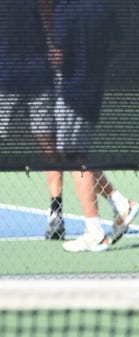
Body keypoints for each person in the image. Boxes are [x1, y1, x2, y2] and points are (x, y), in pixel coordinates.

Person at [51, 0, 139, 252]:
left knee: (74, 158)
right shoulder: (104, 6)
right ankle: (120, 203)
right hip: (94, 90)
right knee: (78, 155)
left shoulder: (65, 9)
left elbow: (59, 55)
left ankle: (95, 231)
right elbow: (116, 46)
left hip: (73, 93)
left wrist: (51, 58)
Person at [0, 0, 66, 239]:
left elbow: (48, 13)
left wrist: (55, 45)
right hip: (5, 73)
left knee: (48, 143)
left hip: (37, 73)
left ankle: (56, 213)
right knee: (49, 144)